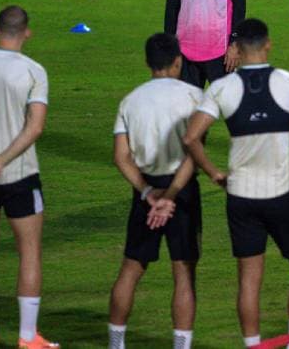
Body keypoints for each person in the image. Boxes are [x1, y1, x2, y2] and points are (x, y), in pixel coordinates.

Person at [183, 18, 289, 349]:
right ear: (268, 44)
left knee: (249, 277)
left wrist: (214, 172)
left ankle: (253, 345)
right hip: (284, 194)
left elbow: (191, 137)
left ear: (237, 49)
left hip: (241, 196)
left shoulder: (221, 88)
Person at [108, 33, 204, 349]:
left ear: (148, 63)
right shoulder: (194, 97)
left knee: (131, 267)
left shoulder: (130, 101)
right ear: (178, 61)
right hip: (182, 191)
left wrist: (148, 193)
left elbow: (121, 157)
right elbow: (195, 152)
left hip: (146, 191)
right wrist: (171, 196)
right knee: (184, 271)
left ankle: (116, 343)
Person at [0, 6, 58, 349]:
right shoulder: (33, 71)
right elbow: (35, 127)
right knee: (29, 251)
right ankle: (27, 337)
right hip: (19, 173)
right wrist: (2, 159)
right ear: (27, 33)